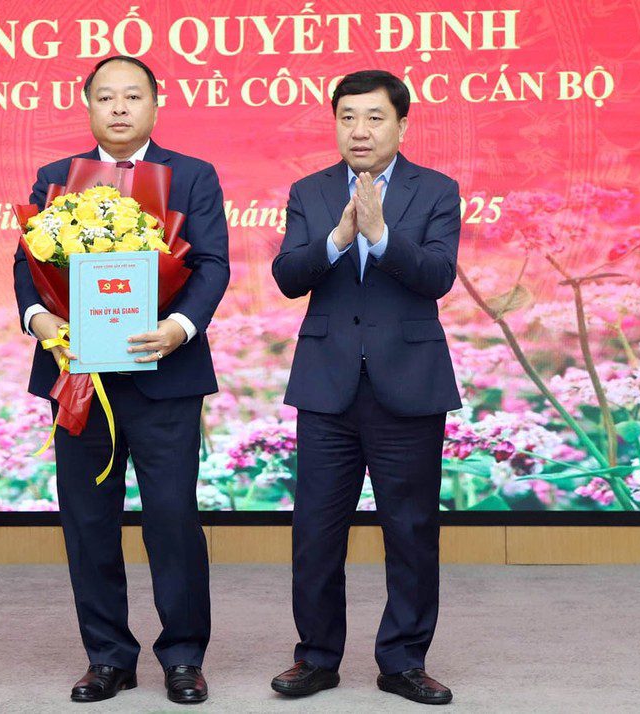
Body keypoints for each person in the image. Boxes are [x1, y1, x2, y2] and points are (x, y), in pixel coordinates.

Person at [13, 55, 229, 705]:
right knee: (88, 521)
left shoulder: (193, 175)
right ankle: (107, 657)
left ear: (155, 104)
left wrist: (179, 328)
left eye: (132, 96)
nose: (119, 108)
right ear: (88, 106)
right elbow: (28, 265)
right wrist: (40, 320)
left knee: (172, 519)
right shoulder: (57, 177)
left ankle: (184, 656)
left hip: (166, 375)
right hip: (79, 376)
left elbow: (212, 264)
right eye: (105, 97)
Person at [270, 69, 461, 706]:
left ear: (401, 125)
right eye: (347, 117)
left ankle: (403, 661)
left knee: (411, 530)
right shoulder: (310, 190)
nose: (360, 130)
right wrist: (338, 238)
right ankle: (317, 658)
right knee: (316, 532)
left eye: (375, 118)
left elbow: (437, 276)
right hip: (327, 385)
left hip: (408, 383)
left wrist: (379, 236)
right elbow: (288, 276)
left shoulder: (437, 190)